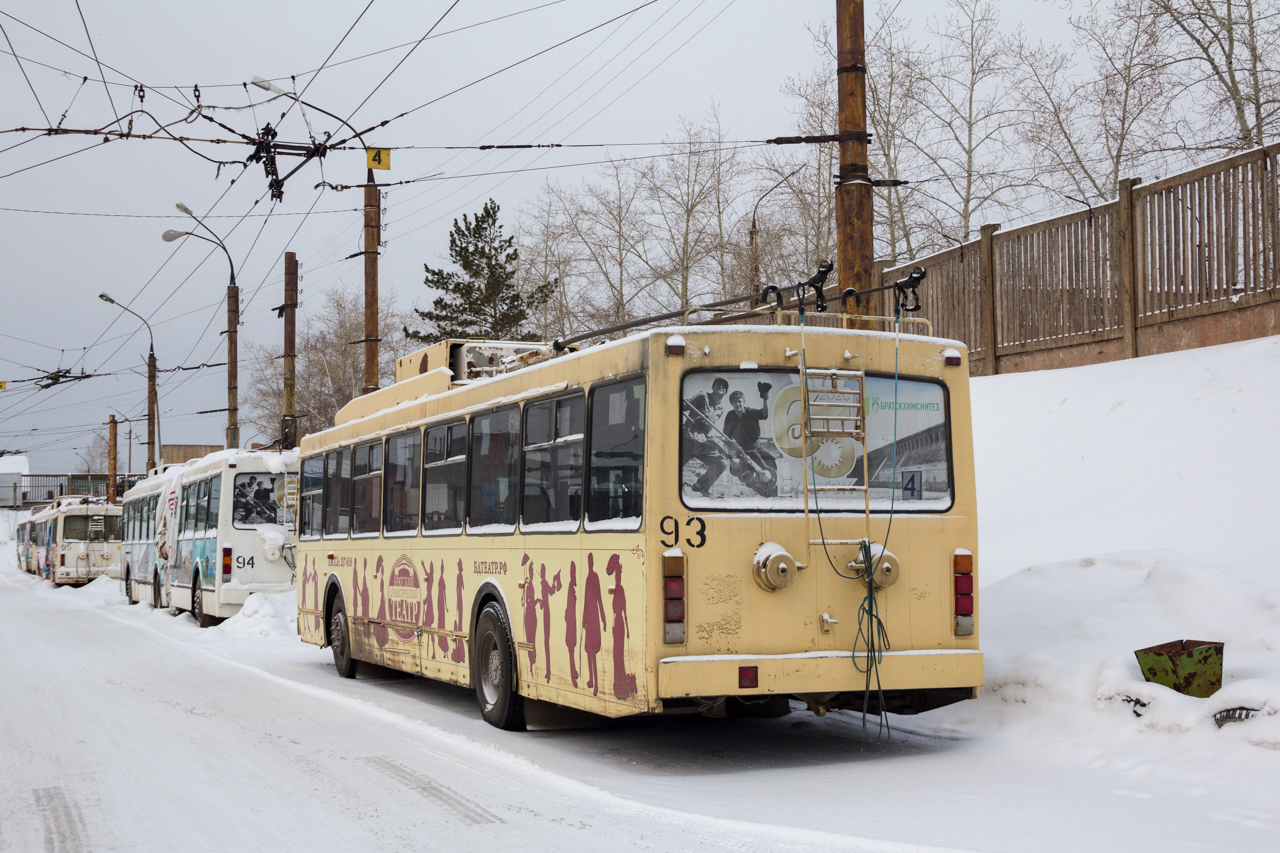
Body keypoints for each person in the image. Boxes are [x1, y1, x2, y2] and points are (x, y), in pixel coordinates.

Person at [723, 383, 777, 495]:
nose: (737, 404)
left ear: (744, 402)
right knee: (751, 469)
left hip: (757, 446)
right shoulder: (730, 416)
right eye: (735, 402)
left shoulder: (751, 412)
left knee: (770, 458)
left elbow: (764, 414)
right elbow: (726, 437)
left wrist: (765, 399)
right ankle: (760, 486)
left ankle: (771, 484)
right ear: (732, 404)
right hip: (742, 450)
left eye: (739, 401)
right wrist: (731, 456)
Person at [681, 377, 729, 497]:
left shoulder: (720, 409)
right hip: (688, 438)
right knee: (673, 467)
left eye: (724, 386)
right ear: (712, 387)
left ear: (726, 392)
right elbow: (683, 406)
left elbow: (708, 427)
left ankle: (700, 487)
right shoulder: (703, 396)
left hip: (702, 442)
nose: (721, 386)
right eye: (718, 384)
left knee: (721, 463)